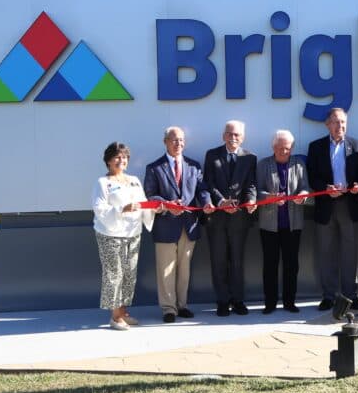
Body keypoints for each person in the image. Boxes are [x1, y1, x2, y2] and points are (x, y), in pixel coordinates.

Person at [144, 126, 213, 323]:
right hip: (165, 224)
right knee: (166, 269)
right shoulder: (154, 168)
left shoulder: (194, 165)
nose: (178, 143)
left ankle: (182, 305)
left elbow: (202, 189)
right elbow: (150, 195)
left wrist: (207, 202)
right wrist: (167, 205)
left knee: (184, 269)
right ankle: (168, 308)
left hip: (189, 225)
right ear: (165, 141)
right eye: (174, 140)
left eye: (181, 140)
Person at [306, 108, 358, 311]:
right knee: (326, 253)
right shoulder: (316, 147)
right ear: (327, 124)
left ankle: (351, 295)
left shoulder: (356, 145)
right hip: (326, 206)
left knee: (350, 253)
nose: (340, 126)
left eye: (343, 122)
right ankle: (329, 296)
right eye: (335, 122)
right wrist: (325, 188)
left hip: (349, 205)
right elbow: (312, 175)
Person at [92, 142, 159, 330]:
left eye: (124, 157)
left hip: (133, 233)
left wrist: (155, 208)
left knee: (129, 274)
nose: (121, 160)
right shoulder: (103, 183)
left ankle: (123, 312)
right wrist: (122, 209)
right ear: (108, 160)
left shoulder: (134, 180)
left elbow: (143, 203)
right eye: (117, 157)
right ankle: (115, 316)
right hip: (110, 234)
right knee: (114, 274)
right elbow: (99, 208)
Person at [202, 120, 257, 317]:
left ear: (242, 137)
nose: (233, 138)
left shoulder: (250, 157)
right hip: (217, 217)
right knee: (218, 261)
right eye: (230, 134)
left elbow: (251, 184)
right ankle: (223, 301)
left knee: (237, 261)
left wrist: (251, 200)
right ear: (223, 135)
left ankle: (238, 300)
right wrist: (221, 202)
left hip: (239, 218)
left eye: (237, 135)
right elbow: (208, 183)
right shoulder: (212, 155)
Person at [256, 130, 311, 314]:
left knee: (291, 265)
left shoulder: (299, 164)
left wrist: (302, 196)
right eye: (279, 148)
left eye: (287, 148)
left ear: (292, 148)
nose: (283, 152)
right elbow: (256, 192)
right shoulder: (263, 165)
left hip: (293, 224)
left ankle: (289, 302)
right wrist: (270, 197)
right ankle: (269, 303)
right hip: (269, 225)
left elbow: (305, 188)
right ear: (273, 147)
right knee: (270, 265)